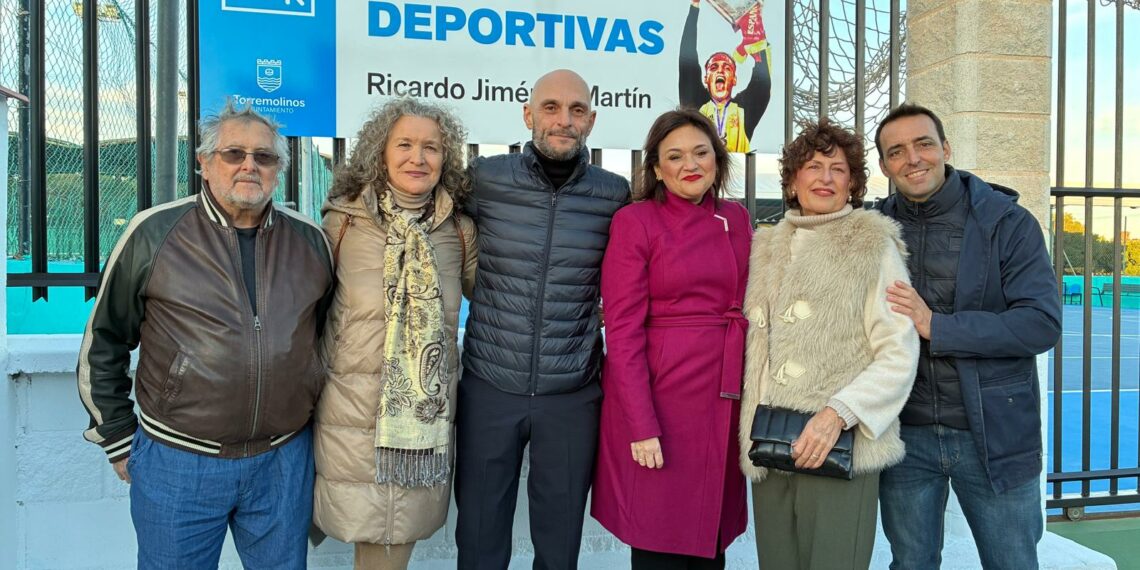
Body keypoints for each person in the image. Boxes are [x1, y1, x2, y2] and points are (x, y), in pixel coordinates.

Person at [76, 102, 334, 569]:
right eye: (234, 153)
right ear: (204, 161)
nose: (249, 165)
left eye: (264, 156)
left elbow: (329, 340)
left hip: (283, 460)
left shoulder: (311, 241)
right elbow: (105, 341)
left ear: (279, 168)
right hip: (179, 461)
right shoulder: (154, 233)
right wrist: (115, 436)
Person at [455, 68, 630, 569]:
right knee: (480, 541)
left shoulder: (613, 194)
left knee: (558, 548)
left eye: (577, 110)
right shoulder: (485, 179)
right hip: (490, 387)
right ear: (528, 114)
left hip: (572, 396)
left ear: (592, 121)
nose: (563, 120)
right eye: (551, 108)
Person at [874, 103, 1062, 569]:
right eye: (896, 151)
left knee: (1012, 562)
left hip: (995, 434)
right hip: (905, 438)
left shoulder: (1006, 222)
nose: (913, 159)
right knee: (911, 563)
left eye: (923, 144)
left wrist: (937, 327)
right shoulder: (873, 229)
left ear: (945, 148)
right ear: (884, 166)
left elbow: (1040, 322)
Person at [739, 120, 919, 569]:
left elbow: (898, 351)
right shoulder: (765, 244)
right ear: (792, 181)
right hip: (770, 444)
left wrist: (837, 414)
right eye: (812, 166)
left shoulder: (874, 245)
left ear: (853, 183)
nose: (824, 178)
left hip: (839, 446)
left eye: (837, 169)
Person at [310, 98, 477, 570]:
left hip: (422, 423)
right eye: (404, 144)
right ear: (379, 151)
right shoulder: (342, 223)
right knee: (366, 541)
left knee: (393, 547)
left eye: (432, 147)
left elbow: (499, 299)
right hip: (351, 416)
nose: (417, 158)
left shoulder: (458, 232)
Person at [591, 109, 751, 569]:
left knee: (711, 541)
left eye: (701, 152)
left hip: (723, 397)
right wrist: (641, 425)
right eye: (675, 156)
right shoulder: (635, 221)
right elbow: (621, 332)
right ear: (657, 169)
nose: (690, 164)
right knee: (661, 537)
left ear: (718, 160)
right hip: (663, 402)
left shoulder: (737, 218)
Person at [678, 0, 772, 152]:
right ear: (706, 78)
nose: (720, 70)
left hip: (736, 174)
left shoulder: (744, 110)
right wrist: (694, 6)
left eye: (727, 67)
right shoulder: (695, 106)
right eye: (714, 67)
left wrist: (754, 28)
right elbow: (687, 60)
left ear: (734, 79)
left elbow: (763, 82)